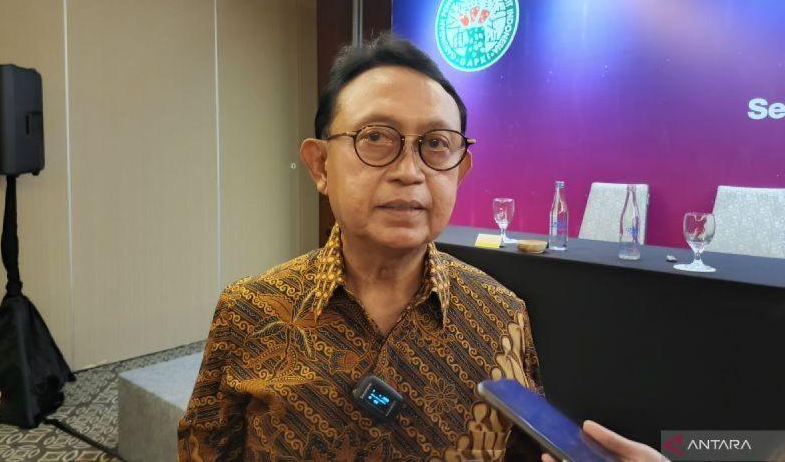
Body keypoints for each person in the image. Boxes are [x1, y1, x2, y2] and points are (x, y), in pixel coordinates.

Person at [178, 34, 663, 461]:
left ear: (459, 170)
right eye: (375, 137)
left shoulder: (501, 316)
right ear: (320, 165)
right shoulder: (251, 311)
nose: (409, 172)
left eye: (435, 144)